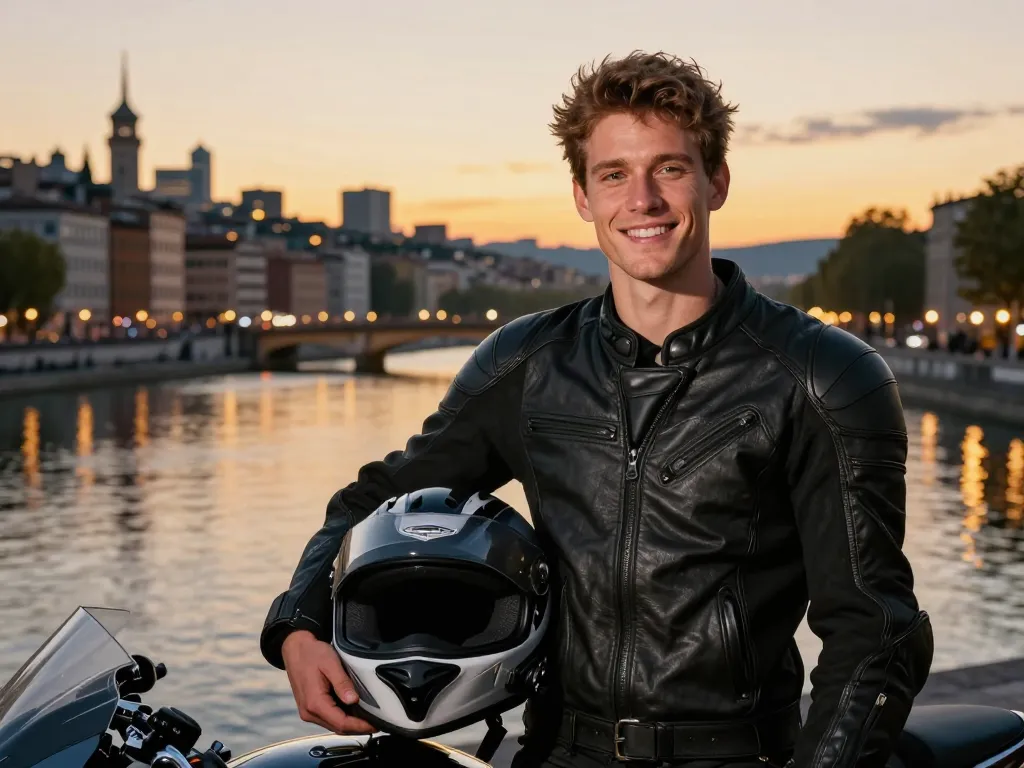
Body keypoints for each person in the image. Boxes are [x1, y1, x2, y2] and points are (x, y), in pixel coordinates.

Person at [259, 51, 934, 767]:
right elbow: (376, 499)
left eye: (670, 169)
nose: (641, 200)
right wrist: (299, 624)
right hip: (553, 752)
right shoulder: (526, 363)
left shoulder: (821, 375)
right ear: (582, 195)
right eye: (614, 174)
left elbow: (875, 631)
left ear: (717, 182)